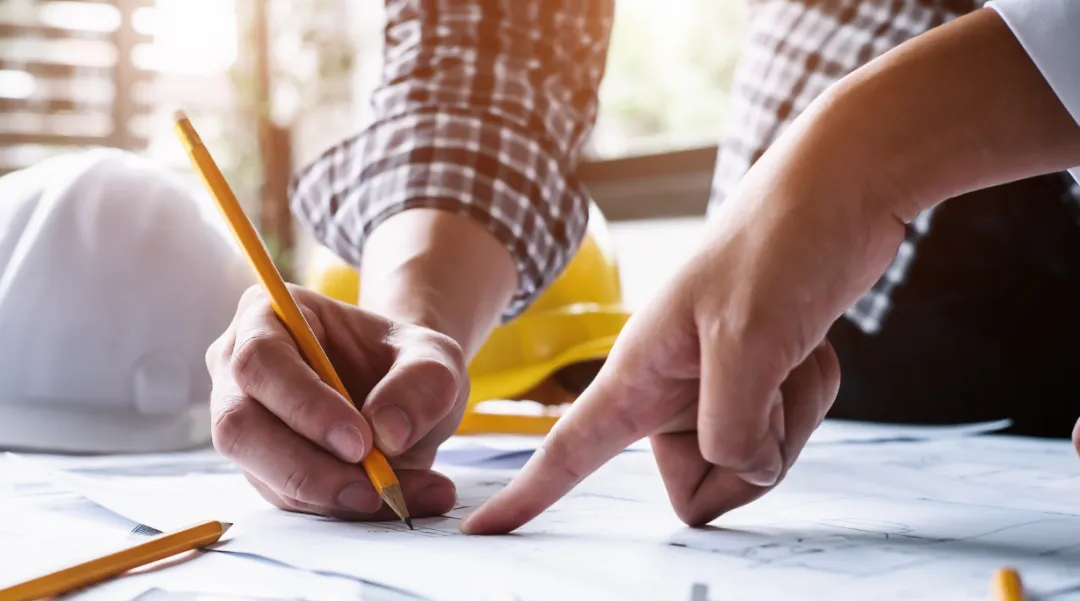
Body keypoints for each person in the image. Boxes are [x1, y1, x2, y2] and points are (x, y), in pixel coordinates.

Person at [205, 0, 1080, 530]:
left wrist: (858, 156)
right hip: (816, 280)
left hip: (827, 195)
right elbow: (491, 46)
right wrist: (416, 323)